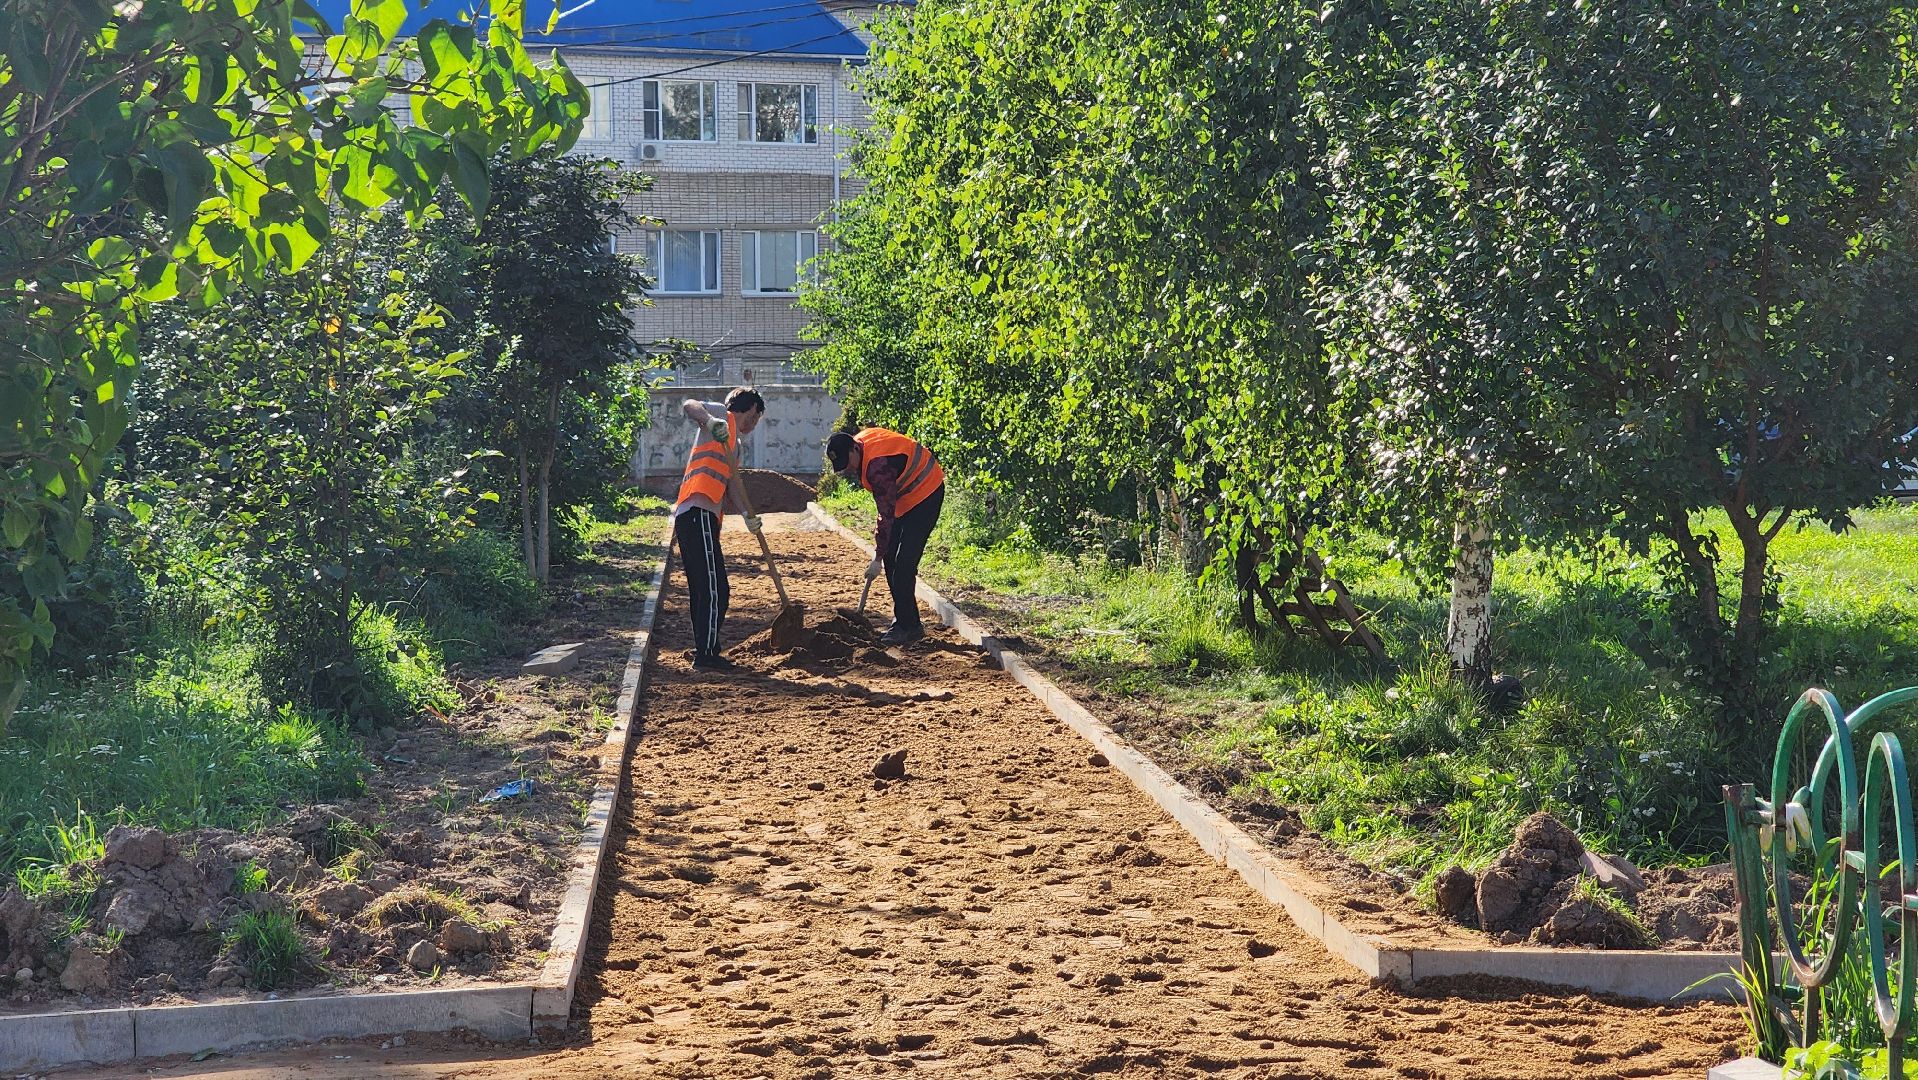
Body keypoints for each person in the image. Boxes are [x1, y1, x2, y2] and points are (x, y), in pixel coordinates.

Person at [825, 426, 945, 647]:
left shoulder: (877, 466)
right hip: (905, 496)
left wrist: (877, 557)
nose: (848, 469)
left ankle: (907, 626)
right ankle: (906, 621)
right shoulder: (861, 445)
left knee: (904, 564)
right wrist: (882, 554)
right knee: (892, 558)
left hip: (926, 491)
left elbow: (885, 513)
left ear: (854, 449)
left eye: (847, 462)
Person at [673, 388, 766, 671]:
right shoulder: (721, 418)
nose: (755, 425)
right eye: (757, 418)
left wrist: (749, 516)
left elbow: (732, 486)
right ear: (752, 410)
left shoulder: (734, 444)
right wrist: (711, 422)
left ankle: (705, 649)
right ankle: (707, 655)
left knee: (704, 587)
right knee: (715, 589)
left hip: (703, 518)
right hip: (696, 512)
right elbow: (690, 404)